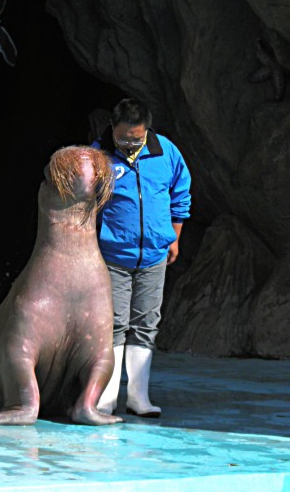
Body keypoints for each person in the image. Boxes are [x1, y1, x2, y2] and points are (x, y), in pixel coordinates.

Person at [93, 98, 192, 417]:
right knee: (114, 324)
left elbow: (181, 193)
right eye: (123, 138)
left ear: (147, 130)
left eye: (136, 138)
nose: (130, 144)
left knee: (146, 324)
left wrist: (174, 237)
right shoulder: (99, 156)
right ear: (112, 129)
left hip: (154, 254)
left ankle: (139, 397)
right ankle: (106, 397)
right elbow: (84, 202)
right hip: (112, 254)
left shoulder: (165, 152)